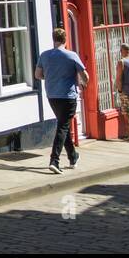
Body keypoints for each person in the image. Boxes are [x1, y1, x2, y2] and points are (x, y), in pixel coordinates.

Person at [35, 27, 88, 174]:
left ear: (54, 39)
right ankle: (54, 160)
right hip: (68, 96)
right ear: (65, 39)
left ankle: (73, 156)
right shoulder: (71, 55)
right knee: (63, 127)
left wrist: (52, 77)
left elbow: (38, 75)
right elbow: (85, 76)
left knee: (63, 126)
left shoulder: (44, 55)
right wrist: (84, 82)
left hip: (52, 95)